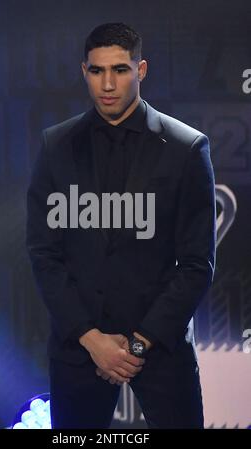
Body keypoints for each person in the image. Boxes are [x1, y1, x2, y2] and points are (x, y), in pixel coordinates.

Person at [26, 22, 216, 429]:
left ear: (141, 70)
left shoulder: (186, 148)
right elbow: (44, 253)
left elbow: (197, 263)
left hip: (161, 347)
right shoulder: (55, 146)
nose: (107, 84)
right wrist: (91, 339)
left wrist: (136, 344)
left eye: (120, 70)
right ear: (84, 71)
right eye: (97, 71)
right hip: (79, 350)